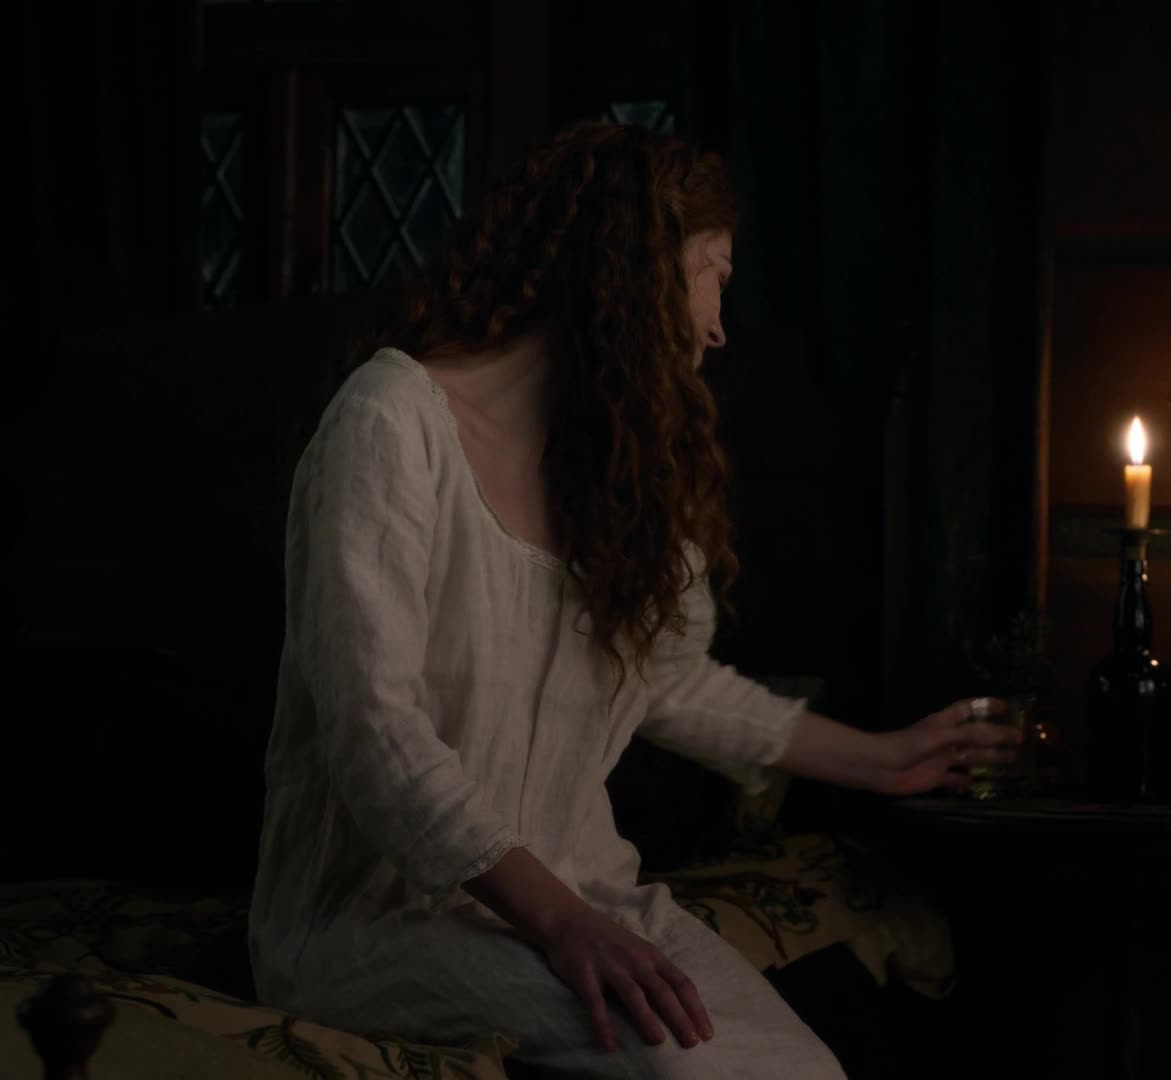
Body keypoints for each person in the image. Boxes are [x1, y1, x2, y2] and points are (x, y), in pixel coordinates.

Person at [249, 119, 1019, 1079]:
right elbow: (375, 733)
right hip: (377, 922)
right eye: (714, 275)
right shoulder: (390, 422)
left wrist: (885, 758)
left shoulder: (608, 473)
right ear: (639, 272)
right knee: (681, 1068)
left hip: (586, 894)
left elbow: (669, 683)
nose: (718, 326)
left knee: (805, 1070)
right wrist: (561, 923)